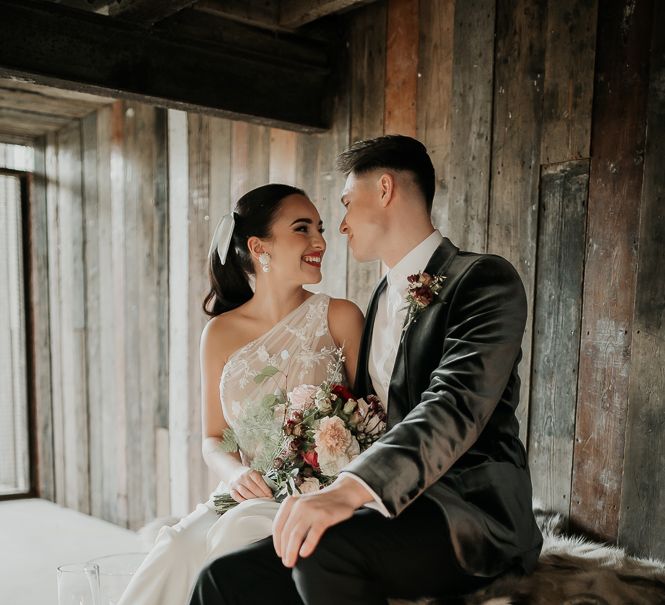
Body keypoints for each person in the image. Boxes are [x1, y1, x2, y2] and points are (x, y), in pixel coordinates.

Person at [190, 136, 543, 605]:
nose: (339, 225)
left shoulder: (482, 280)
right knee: (223, 578)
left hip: (471, 511)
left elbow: (453, 407)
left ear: (383, 189)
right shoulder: (376, 302)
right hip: (386, 513)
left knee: (322, 552)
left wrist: (347, 491)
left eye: (345, 203)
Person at [117, 184, 364, 605]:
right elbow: (213, 438)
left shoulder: (340, 317)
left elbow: (371, 417)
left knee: (236, 538)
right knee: (175, 548)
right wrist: (234, 475)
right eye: (302, 229)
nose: (320, 241)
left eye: (319, 228)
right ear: (258, 247)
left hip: (316, 494)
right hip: (248, 489)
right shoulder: (219, 333)